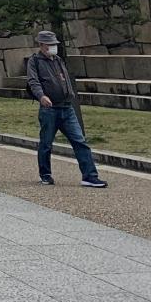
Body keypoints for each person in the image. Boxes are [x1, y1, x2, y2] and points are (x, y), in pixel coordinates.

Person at [27, 31, 107, 188]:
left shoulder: (58, 60)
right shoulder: (34, 61)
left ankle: (90, 176)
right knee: (46, 143)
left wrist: (70, 95)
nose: (53, 47)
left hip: (66, 107)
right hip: (49, 109)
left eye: (54, 44)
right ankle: (45, 174)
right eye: (50, 44)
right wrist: (41, 96)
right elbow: (33, 81)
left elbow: (64, 80)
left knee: (80, 141)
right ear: (41, 45)